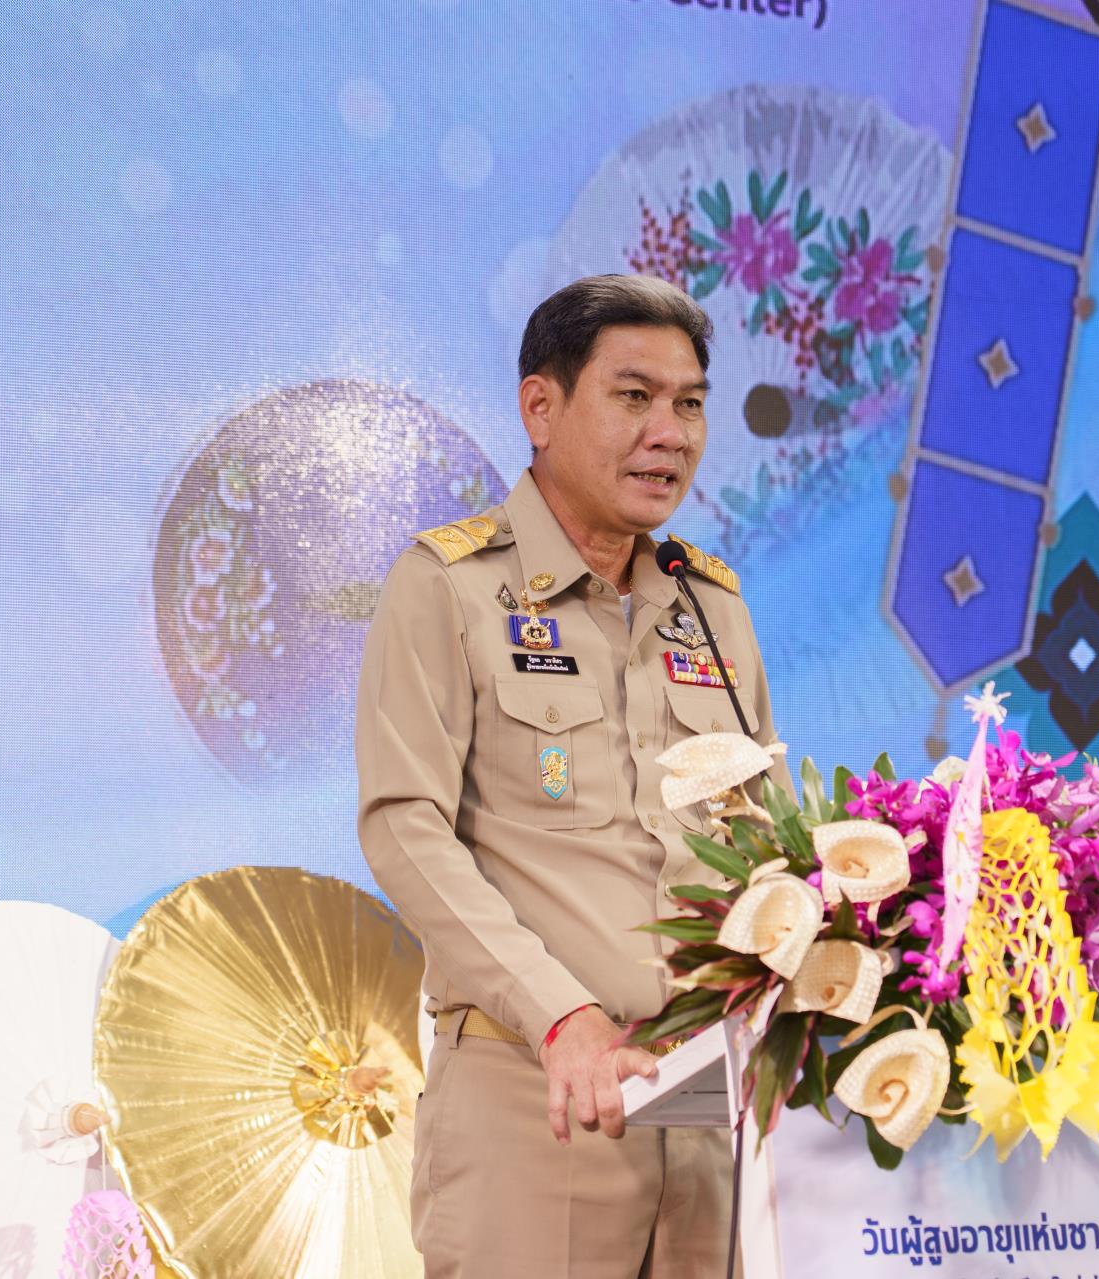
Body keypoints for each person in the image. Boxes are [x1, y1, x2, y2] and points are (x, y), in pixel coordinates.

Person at [357, 274, 790, 1276]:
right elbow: (403, 827)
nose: (669, 433)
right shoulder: (450, 587)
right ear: (540, 407)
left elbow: (766, 841)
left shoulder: (711, 606)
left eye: (690, 404)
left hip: (706, 1106)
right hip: (532, 1097)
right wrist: (561, 1013)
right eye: (634, 396)